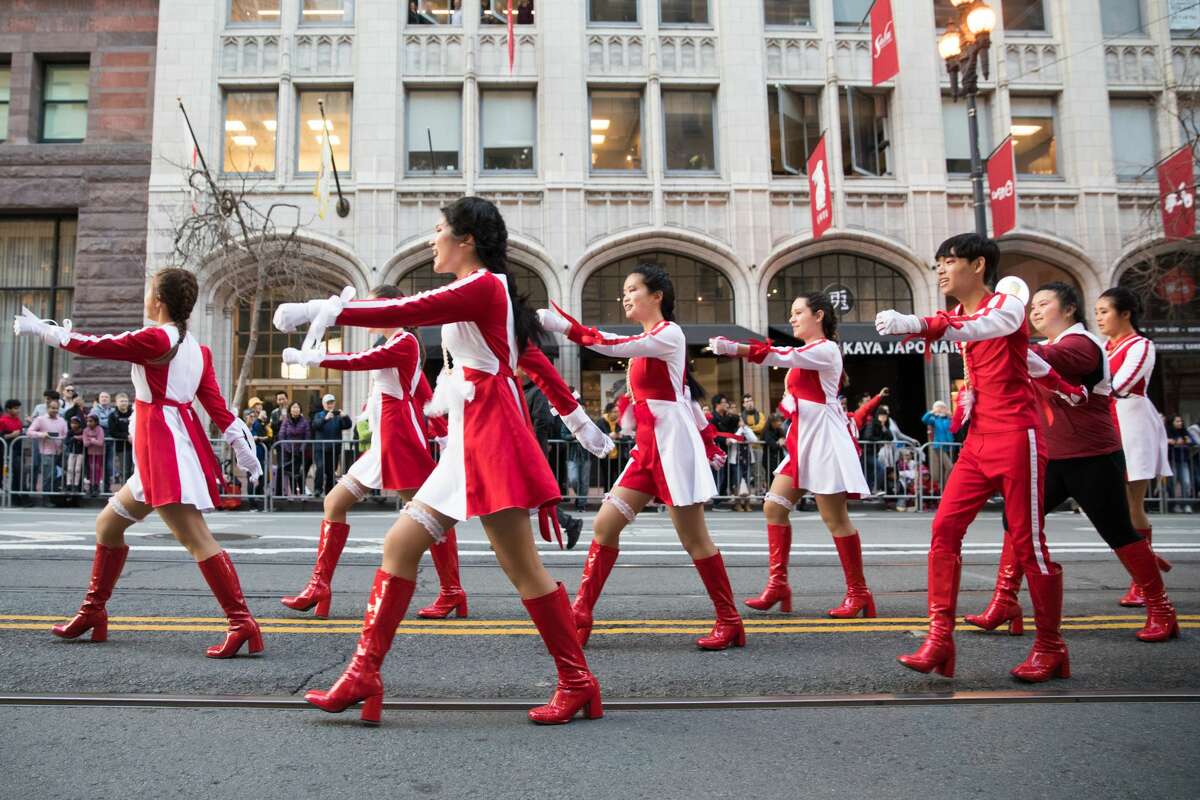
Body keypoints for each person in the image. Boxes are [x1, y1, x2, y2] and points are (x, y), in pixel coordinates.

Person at [273, 196, 612, 725]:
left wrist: (327, 310)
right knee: (400, 542)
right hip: (470, 433)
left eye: (439, 230)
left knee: (523, 569)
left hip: (491, 433)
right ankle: (365, 672)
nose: (434, 239)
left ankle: (577, 681)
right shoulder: (482, 289)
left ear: (467, 240)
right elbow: (513, 354)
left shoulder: (481, 286)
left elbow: (406, 312)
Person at [14, 268, 264, 658]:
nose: (147, 296)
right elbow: (215, 404)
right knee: (108, 524)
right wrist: (239, 440)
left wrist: (48, 333)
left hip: (162, 448)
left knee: (196, 539)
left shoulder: (156, 338)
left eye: (150, 291)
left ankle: (241, 621)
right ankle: (93, 611)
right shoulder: (197, 348)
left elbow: (98, 345)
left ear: (159, 301)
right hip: (161, 445)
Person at [875, 233, 1082, 682]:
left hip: (1017, 438)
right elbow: (1032, 362)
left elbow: (988, 327)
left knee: (1029, 545)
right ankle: (938, 640)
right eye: (938, 263)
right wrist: (1067, 390)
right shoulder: (965, 317)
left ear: (979, 266)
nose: (941, 270)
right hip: (979, 441)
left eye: (950, 261)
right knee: (943, 528)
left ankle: (1051, 648)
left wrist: (915, 322)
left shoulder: (1005, 304)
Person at [539, 263, 746, 652]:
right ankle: (581, 613)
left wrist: (566, 326)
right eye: (625, 290)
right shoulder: (651, 341)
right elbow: (686, 393)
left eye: (633, 289)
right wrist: (707, 437)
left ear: (657, 296)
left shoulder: (668, 334)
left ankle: (730, 621)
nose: (626, 296)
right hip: (648, 449)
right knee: (605, 525)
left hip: (672, 448)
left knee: (694, 539)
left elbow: (611, 345)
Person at [965, 282, 1177, 642]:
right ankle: (1005, 602)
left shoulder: (1083, 345)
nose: (1034, 311)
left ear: (1069, 310)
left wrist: (994, 335)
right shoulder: (1045, 348)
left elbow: (1045, 361)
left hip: (1091, 455)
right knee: (1013, 521)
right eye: (1031, 306)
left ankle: (1161, 610)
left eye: (1043, 304)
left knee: (1117, 530)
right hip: (1050, 455)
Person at [279, 285, 473, 620]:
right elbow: (423, 392)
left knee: (432, 516)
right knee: (334, 503)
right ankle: (319, 585)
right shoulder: (397, 343)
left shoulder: (404, 342)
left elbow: (360, 361)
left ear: (388, 307)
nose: (367, 310)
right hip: (383, 441)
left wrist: (311, 357)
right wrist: (440, 432)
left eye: (372, 304)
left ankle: (452, 591)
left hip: (400, 441)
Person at [710, 292, 875, 619]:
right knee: (774, 506)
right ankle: (778, 585)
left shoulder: (826, 349)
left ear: (820, 315)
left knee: (835, 519)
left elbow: (782, 356)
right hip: (805, 439)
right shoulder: (807, 352)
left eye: (798, 312)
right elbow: (792, 379)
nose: (792, 318)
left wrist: (737, 348)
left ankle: (859, 593)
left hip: (825, 440)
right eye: (792, 312)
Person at [1097, 287, 1177, 605]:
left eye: (1105, 311)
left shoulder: (1141, 346)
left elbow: (1121, 384)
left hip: (1132, 424)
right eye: (1098, 311)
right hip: (1105, 425)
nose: (1100, 317)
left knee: (1131, 507)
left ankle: (1144, 583)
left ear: (1125, 313)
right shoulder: (1102, 347)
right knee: (1109, 508)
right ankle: (1148, 562)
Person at [522, 371, 585, 548]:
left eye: (518, 367)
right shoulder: (521, 389)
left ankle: (506, 536)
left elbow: (543, 421)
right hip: (523, 449)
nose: (514, 370)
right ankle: (569, 523)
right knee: (529, 495)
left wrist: (533, 447)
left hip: (532, 451)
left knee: (533, 494)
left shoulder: (536, 391)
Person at [310, 393, 352, 497]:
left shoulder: (338, 416)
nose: (330, 405)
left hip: (334, 448)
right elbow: (315, 425)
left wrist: (345, 417)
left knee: (330, 471)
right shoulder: (318, 415)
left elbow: (348, 425)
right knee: (320, 467)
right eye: (328, 403)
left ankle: (329, 492)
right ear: (324, 404)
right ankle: (317, 489)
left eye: (332, 403)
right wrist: (325, 419)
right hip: (320, 448)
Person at [27, 397, 67, 498]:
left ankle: (53, 496)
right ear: (47, 408)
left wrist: (61, 440)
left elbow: (65, 434)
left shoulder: (62, 420)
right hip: (46, 451)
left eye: (56, 408)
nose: (55, 410)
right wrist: (42, 434)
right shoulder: (40, 419)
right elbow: (29, 432)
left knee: (56, 475)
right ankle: (46, 497)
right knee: (48, 475)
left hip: (60, 452)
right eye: (52, 408)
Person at [277, 402, 311, 496]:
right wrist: (288, 449)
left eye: (297, 407)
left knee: (301, 473)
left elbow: (307, 436)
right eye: (293, 407)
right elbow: (281, 435)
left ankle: (302, 493)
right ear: (290, 410)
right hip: (288, 452)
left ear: (300, 410)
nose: (295, 409)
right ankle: (294, 494)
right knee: (291, 473)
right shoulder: (286, 421)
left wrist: (301, 449)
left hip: (301, 452)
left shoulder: (305, 422)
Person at [922, 400, 956, 493]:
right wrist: (932, 412)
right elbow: (924, 419)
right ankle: (945, 490)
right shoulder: (934, 419)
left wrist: (951, 416)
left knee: (944, 469)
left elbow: (956, 427)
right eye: (939, 407)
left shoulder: (949, 419)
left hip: (949, 446)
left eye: (942, 407)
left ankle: (942, 490)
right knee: (950, 467)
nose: (941, 409)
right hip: (938, 446)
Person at [1166, 415, 1193, 512]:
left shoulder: (1184, 431)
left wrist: (1184, 440)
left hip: (1183, 461)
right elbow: (1165, 441)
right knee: (1172, 483)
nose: (1179, 423)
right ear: (1172, 422)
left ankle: (1186, 504)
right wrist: (1171, 441)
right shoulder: (1168, 431)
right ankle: (1175, 505)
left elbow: (1191, 440)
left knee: (1186, 482)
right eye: (1177, 421)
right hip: (1171, 461)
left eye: (1180, 421)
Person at [1, 399, 24, 501]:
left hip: (17, 451)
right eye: (15, 408)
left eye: (18, 408)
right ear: (8, 409)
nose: (18, 410)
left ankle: (15, 495)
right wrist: (11, 435)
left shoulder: (18, 420)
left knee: (18, 472)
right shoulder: (2, 420)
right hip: (4, 451)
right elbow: (1, 436)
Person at [109, 393, 134, 487]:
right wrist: (126, 436)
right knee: (125, 470)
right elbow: (113, 432)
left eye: (125, 401)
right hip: (122, 447)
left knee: (136, 470)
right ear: (116, 403)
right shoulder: (113, 415)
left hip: (136, 446)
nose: (124, 403)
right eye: (121, 401)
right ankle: (125, 490)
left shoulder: (134, 413)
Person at [82, 414, 105, 496]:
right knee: (91, 469)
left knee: (97, 469)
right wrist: (94, 440)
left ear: (96, 422)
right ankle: (91, 486)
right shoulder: (85, 430)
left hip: (99, 453)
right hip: (90, 453)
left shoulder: (100, 429)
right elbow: (85, 443)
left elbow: (100, 442)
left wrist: (91, 440)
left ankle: (96, 486)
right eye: (87, 421)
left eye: (91, 421)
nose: (88, 423)